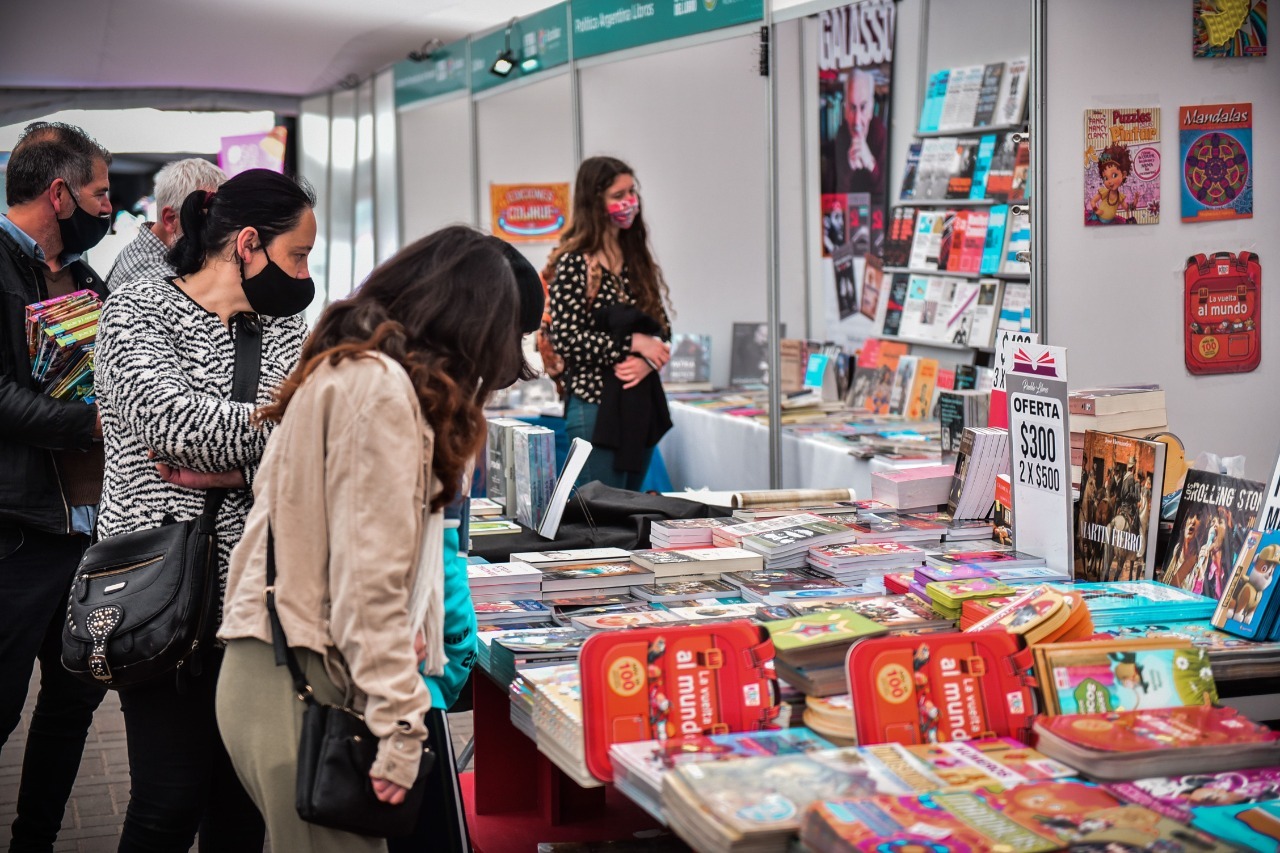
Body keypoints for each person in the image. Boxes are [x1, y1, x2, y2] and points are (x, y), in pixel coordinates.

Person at [217, 226, 532, 852]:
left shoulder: (350, 368)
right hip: (306, 681)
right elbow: (369, 585)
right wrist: (400, 729)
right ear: (471, 324)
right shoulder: (381, 392)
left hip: (281, 667)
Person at [94, 168, 315, 851]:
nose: (306, 274)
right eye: (298, 254)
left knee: (244, 802)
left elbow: (314, 431)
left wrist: (235, 455)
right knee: (168, 797)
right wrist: (269, 442)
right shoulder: (134, 311)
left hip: (255, 599)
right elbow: (171, 424)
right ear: (248, 242)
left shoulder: (284, 321)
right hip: (160, 594)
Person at [0, 121, 113, 852]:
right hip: (15, 531)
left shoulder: (79, 276)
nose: (109, 206)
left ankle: (34, 839)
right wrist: (90, 425)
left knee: (73, 702)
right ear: (59, 193)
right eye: (101, 192)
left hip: (85, 531)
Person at [544, 156, 673, 490]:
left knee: (630, 514)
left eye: (632, 192)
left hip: (639, 405)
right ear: (595, 201)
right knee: (598, 518)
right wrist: (632, 344)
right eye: (619, 195)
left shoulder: (635, 256)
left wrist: (647, 359)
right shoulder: (573, 262)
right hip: (594, 406)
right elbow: (567, 339)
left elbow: (663, 328)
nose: (629, 202)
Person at [107, 158, 227, 290]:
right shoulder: (156, 284)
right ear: (170, 219)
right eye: (207, 220)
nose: (215, 231)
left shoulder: (149, 254)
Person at [833, 68, 888, 196]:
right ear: (845, 110)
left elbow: (884, 194)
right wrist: (849, 167)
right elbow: (837, 197)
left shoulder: (882, 135)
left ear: (871, 108)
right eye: (852, 108)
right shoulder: (841, 135)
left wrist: (870, 164)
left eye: (863, 107)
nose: (857, 121)